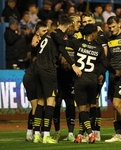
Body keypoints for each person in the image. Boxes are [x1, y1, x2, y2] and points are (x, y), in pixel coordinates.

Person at [50, 23, 121, 143]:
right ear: (93, 34)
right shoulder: (98, 47)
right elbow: (105, 63)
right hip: (93, 81)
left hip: (80, 80)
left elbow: (62, 43)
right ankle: (80, 134)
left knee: (82, 110)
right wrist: (115, 72)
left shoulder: (77, 43)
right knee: (89, 109)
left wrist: (52, 33)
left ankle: (90, 134)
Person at [33, 14, 81, 144]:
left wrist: (72, 65)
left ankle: (37, 134)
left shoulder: (49, 35)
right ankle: (47, 135)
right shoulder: (57, 35)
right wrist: (74, 64)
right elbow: (63, 46)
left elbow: (60, 49)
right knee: (51, 102)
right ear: (70, 25)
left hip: (37, 69)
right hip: (48, 70)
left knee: (41, 102)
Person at [80, 11, 109, 141]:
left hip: (97, 73)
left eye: (89, 21)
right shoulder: (83, 34)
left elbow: (105, 55)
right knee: (89, 103)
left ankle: (94, 132)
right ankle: (91, 132)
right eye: (84, 22)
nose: (87, 23)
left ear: (94, 20)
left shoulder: (100, 34)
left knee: (93, 103)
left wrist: (101, 73)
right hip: (88, 73)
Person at [23, 21, 48, 142]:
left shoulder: (44, 41)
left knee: (40, 106)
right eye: (44, 31)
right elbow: (34, 46)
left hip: (37, 75)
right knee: (36, 106)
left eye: (46, 31)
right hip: (32, 76)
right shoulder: (37, 41)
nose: (46, 33)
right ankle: (33, 132)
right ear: (37, 33)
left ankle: (35, 131)